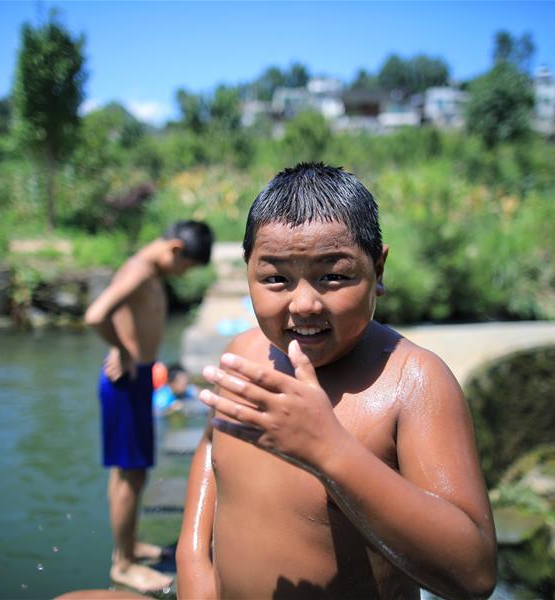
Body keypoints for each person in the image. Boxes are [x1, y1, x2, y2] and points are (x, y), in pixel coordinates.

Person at [176, 164, 496, 599]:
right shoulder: (244, 354)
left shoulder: (412, 382)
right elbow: (215, 451)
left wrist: (330, 451)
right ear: (248, 272)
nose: (304, 303)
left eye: (334, 276)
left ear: (378, 269)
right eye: (276, 279)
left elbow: (474, 573)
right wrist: (194, 561)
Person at [85, 220, 213, 595]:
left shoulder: (147, 271)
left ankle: (128, 546)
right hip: (126, 380)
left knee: (131, 474)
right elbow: (96, 314)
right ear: (175, 249)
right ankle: (123, 565)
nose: (183, 274)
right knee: (131, 475)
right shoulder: (139, 271)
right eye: (186, 266)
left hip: (137, 378)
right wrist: (122, 350)